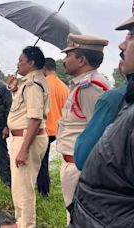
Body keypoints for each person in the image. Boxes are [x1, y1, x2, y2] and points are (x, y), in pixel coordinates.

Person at [69, 14, 134, 227]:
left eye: (131, 35)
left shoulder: (95, 89)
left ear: (81, 59)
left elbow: (84, 152)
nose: (122, 45)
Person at [56, 33, 110, 223]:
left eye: (68, 55)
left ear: (81, 60)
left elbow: (101, 133)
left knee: (79, 218)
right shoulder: (82, 84)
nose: (64, 60)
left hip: (80, 166)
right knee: (73, 216)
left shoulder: (91, 88)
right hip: (72, 163)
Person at [2, 46, 50, 228]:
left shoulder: (33, 84)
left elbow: (35, 118)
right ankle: (21, 222)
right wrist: (14, 89)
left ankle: (27, 225)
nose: (18, 63)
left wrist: (23, 150)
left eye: (21, 60)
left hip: (27, 139)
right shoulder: (28, 82)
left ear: (31, 63)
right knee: (19, 185)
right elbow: (23, 110)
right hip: (21, 137)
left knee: (24, 188)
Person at [36, 58, 69, 197]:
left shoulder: (43, 85)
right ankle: (44, 189)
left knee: (40, 162)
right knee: (44, 160)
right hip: (57, 131)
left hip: (43, 129)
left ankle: (43, 191)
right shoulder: (64, 87)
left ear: (44, 69)